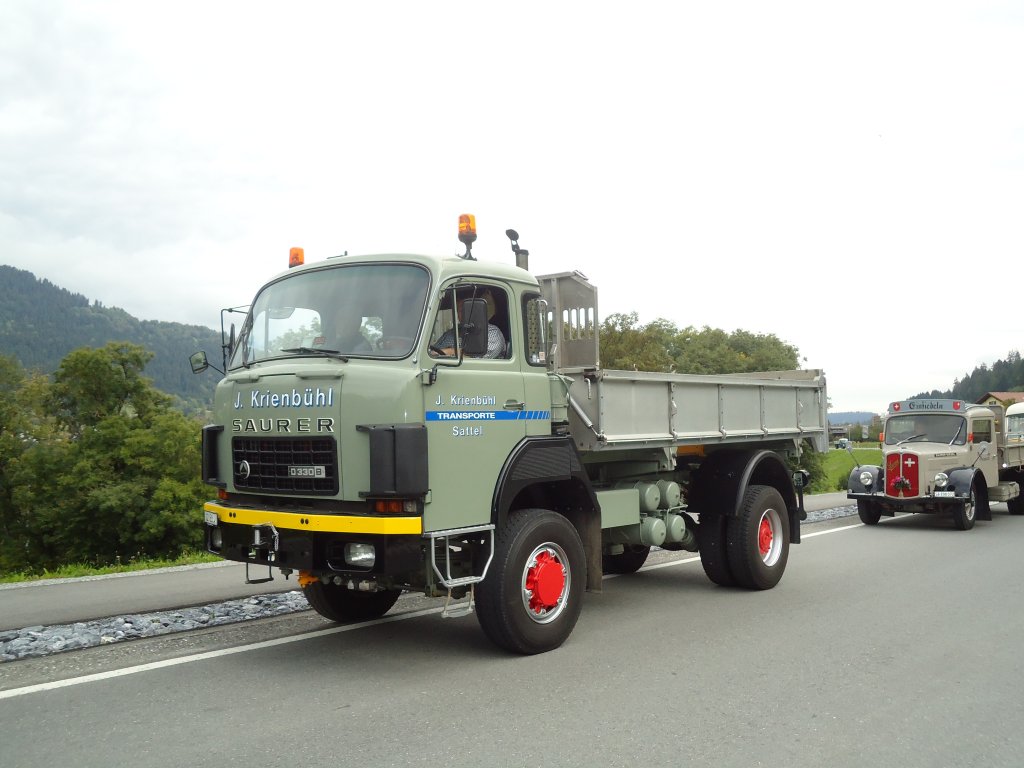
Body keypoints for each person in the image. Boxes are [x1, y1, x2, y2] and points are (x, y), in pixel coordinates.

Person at [430, 288, 506, 359]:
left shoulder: (492, 333)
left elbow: (477, 358)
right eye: (459, 310)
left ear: (477, 310)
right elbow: (431, 353)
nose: (461, 314)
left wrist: (448, 352)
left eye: (466, 310)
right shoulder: (451, 333)